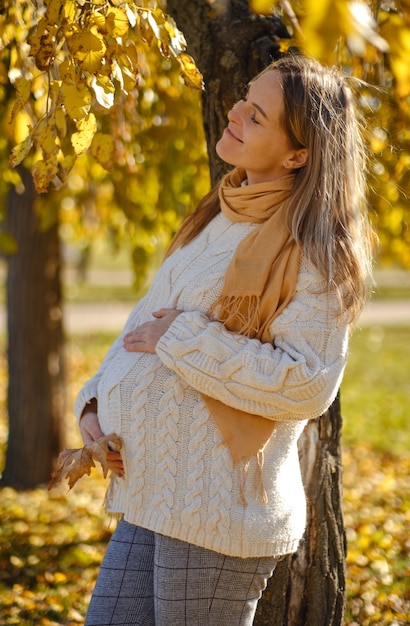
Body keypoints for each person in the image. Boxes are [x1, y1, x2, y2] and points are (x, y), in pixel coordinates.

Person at [75, 53, 373, 626]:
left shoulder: (315, 252)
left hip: (218, 514)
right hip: (153, 494)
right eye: (244, 99)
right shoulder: (219, 214)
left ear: (298, 154)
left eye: (257, 116)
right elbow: (143, 327)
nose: (235, 113)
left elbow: (307, 383)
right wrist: (94, 405)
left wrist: (184, 337)